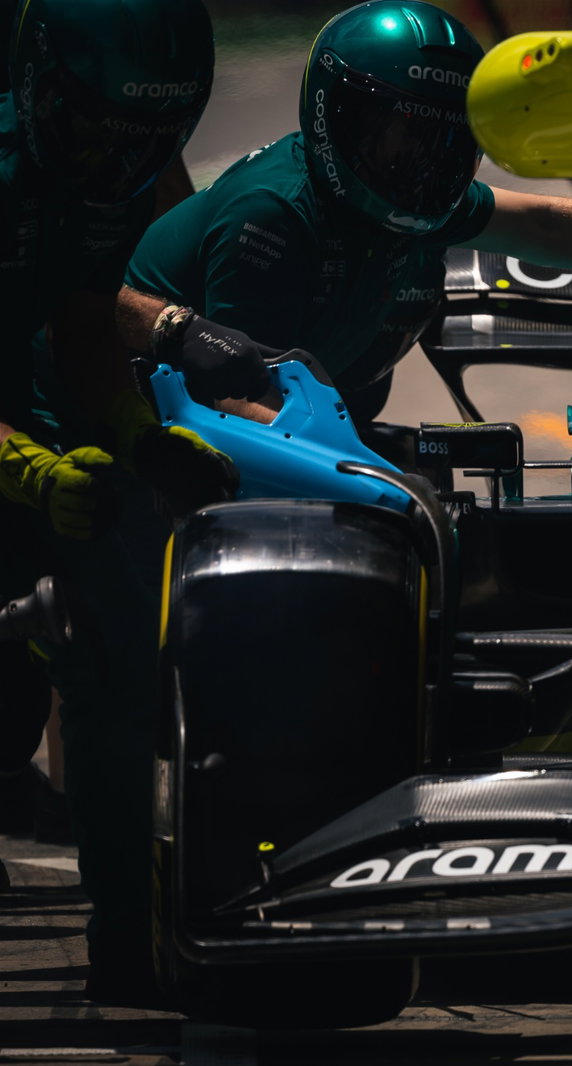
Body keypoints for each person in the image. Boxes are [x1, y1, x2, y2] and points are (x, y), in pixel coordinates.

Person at [118, 0, 572, 430]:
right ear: (338, 117)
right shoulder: (271, 219)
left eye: (447, 143)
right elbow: (242, 407)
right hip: (151, 444)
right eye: (404, 139)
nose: (425, 168)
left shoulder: (415, 203)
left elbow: (546, 224)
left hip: (309, 430)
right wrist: (387, 482)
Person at [0, 0, 234, 1004]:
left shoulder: (106, 168)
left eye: (142, 140)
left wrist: (134, 437)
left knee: (98, 642)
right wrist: (31, 473)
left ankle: (125, 942)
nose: (114, 158)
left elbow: (86, 328)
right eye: (97, 129)